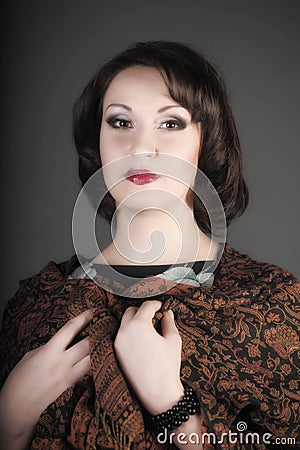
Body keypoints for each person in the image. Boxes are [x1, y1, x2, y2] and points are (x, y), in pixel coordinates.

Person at [0, 41, 299, 450]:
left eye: (171, 123)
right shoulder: (37, 303)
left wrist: (173, 406)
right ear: (98, 142)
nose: (140, 148)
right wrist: (11, 418)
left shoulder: (270, 304)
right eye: (120, 122)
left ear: (205, 141)